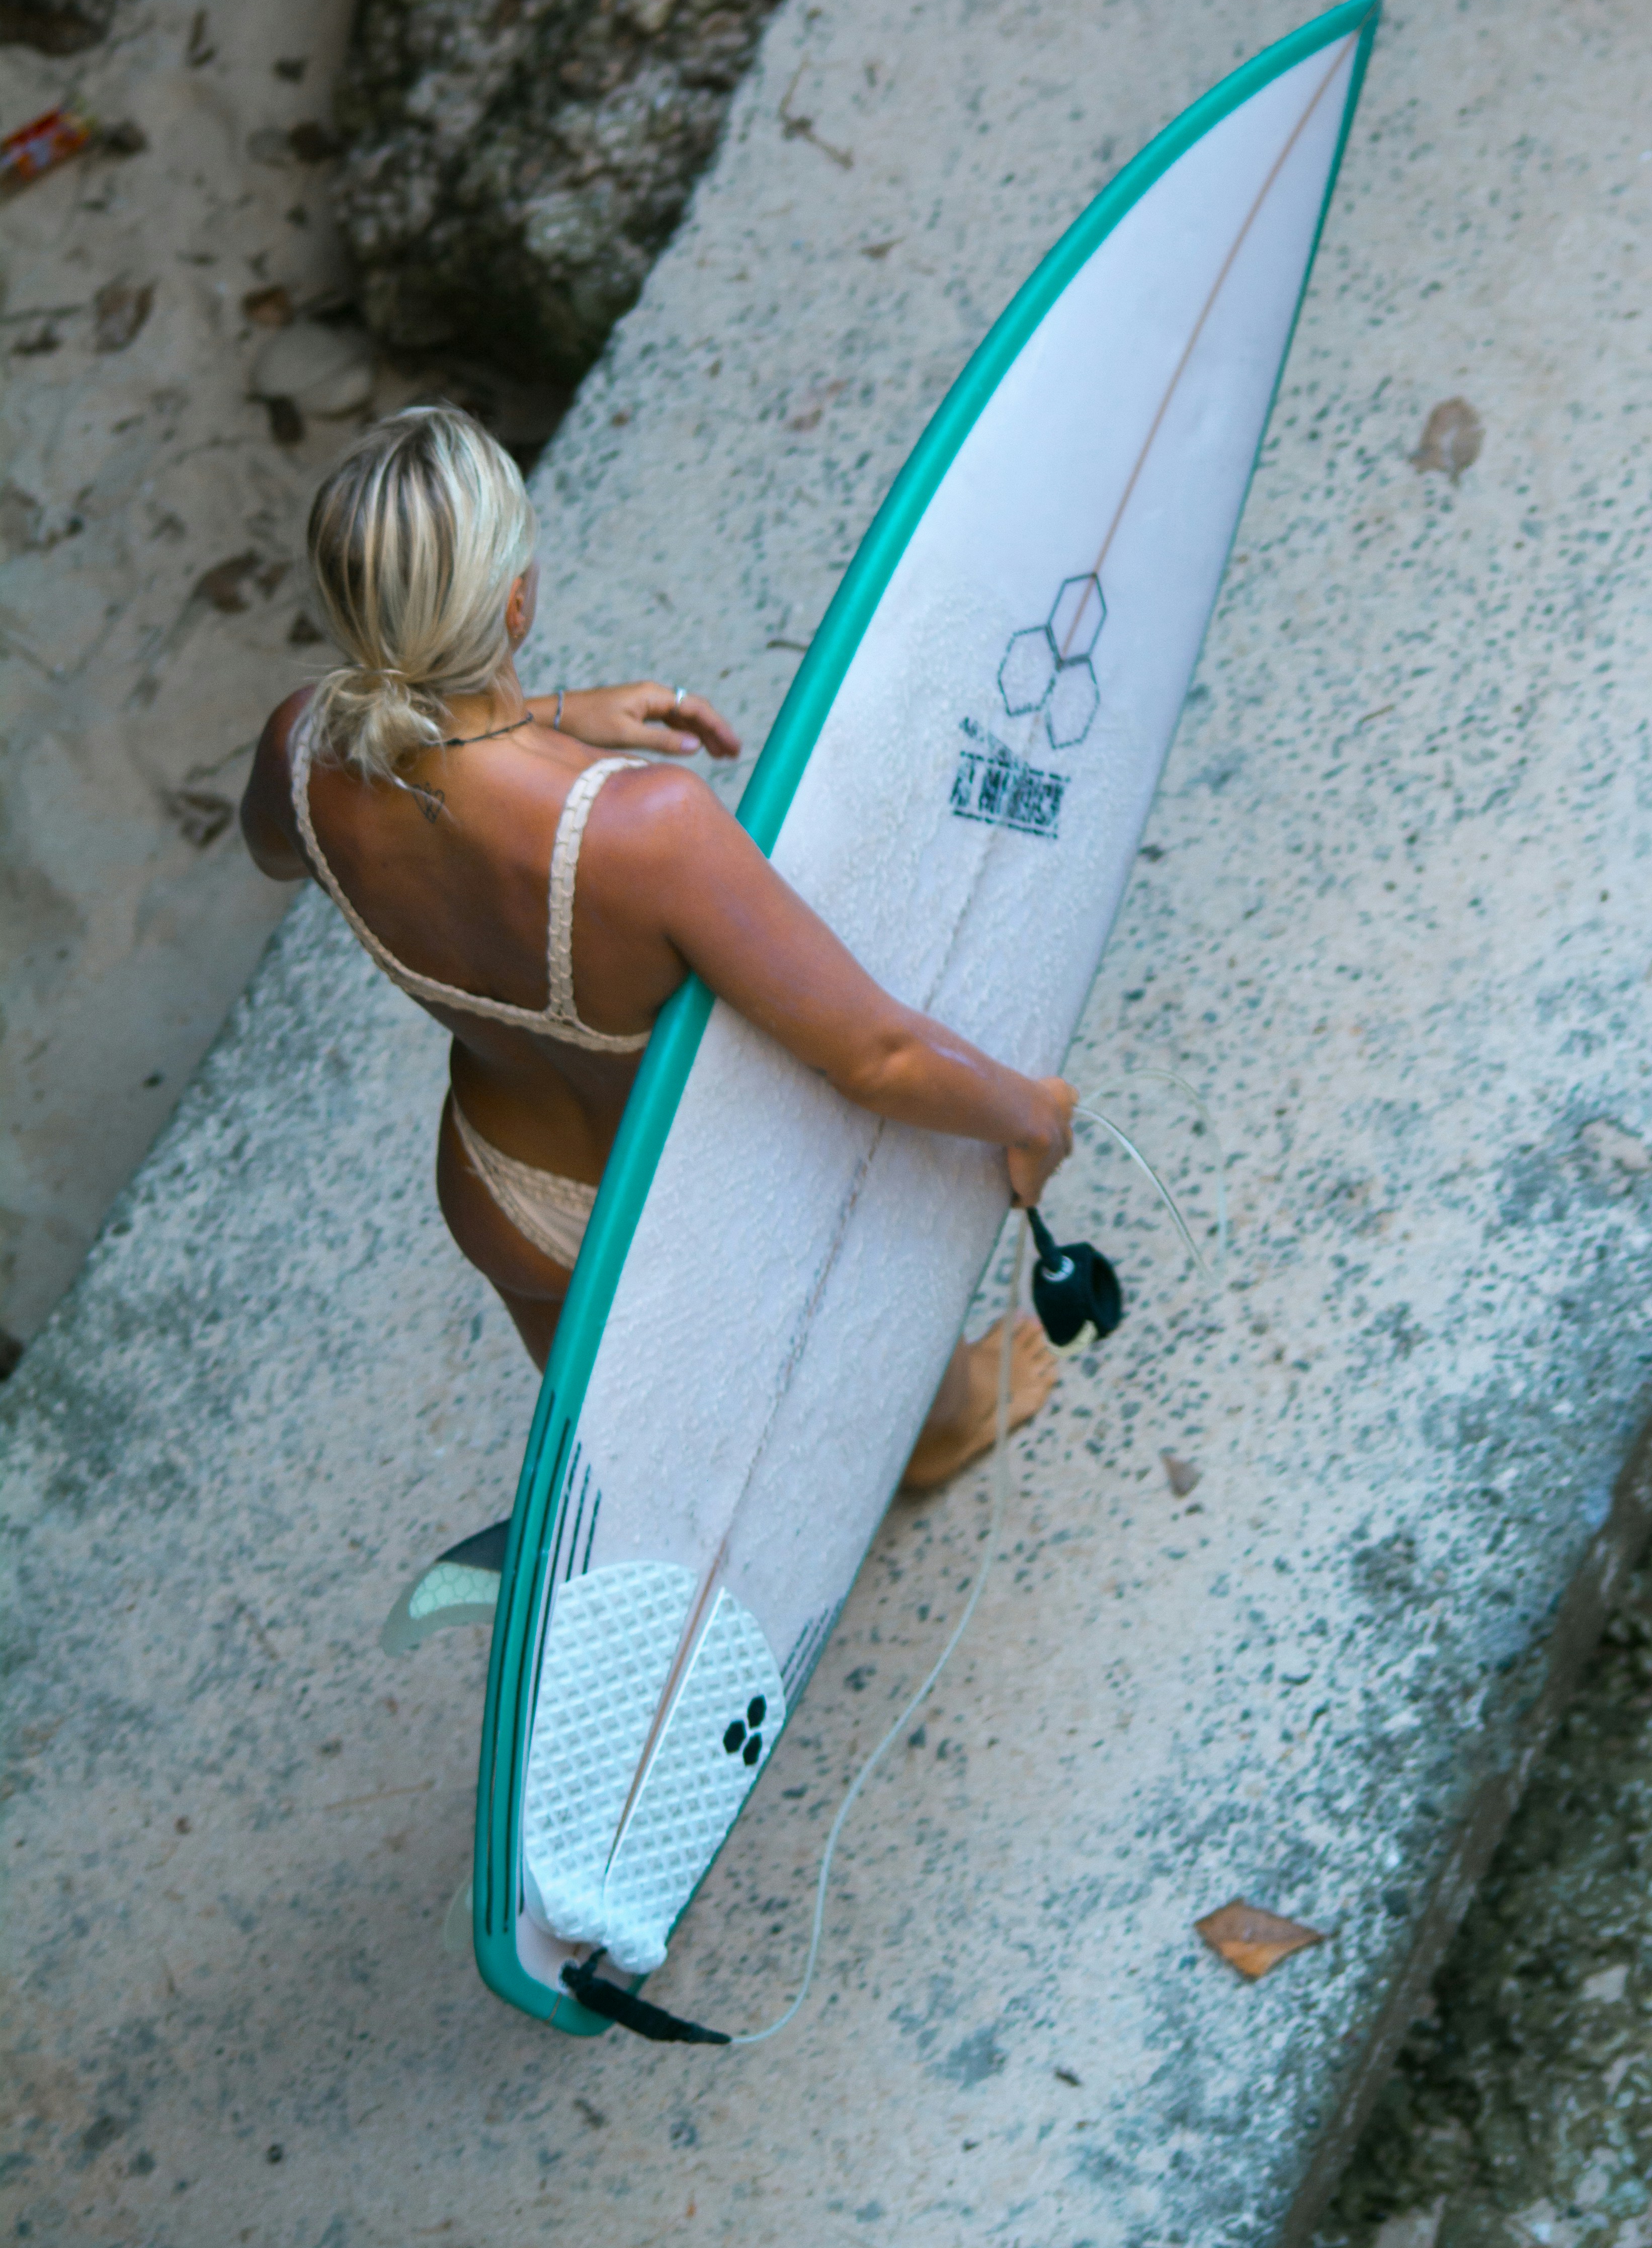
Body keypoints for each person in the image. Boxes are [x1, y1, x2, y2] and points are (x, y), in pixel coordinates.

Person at [239, 404, 1072, 1491]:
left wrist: (548, 717)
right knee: (861, 1295)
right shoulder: (646, 832)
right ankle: (945, 1425)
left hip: (502, 1195)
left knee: (633, 1444)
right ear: (516, 599)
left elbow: (282, 846)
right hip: (689, 1188)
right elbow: (878, 1057)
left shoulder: (303, 751)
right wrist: (1026, 1113)